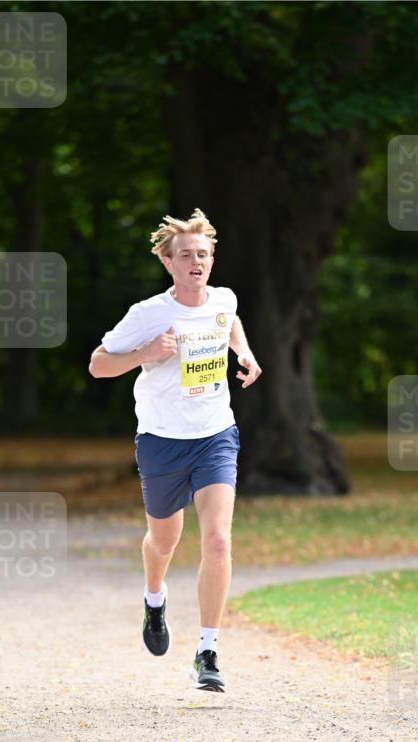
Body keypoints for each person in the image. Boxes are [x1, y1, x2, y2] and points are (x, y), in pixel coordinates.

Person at [89, 208, 262, 693]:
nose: (195, 262)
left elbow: (230, 321)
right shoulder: (148, 314)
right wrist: (145, 355)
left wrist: (245, 353)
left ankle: (207, 652)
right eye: (185, 255)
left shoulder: (223, 298)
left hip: (215, 434)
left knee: (218, 541)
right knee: (164, 541)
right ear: (167, 262)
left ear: (212, 260)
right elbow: (98, 365)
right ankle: (154, 597)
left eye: (202, 254)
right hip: (162, 440)